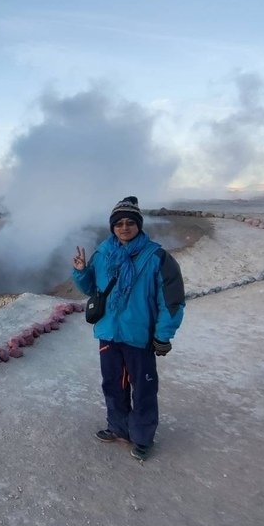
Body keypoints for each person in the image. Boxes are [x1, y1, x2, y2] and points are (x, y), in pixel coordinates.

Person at [71, 196, 185, 461]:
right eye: (119, 223)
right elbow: (93, 290)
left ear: (138, 225)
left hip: (139, 336)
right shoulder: (103, 253)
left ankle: (143, 437)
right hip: (109, 332)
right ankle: (119, 428)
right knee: (112, 384)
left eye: (130, 223)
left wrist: (162, 336)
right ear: (112, 227)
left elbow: (171, 301)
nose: (124, 227)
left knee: (143, 388)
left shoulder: (157, 257)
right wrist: (80, 272)